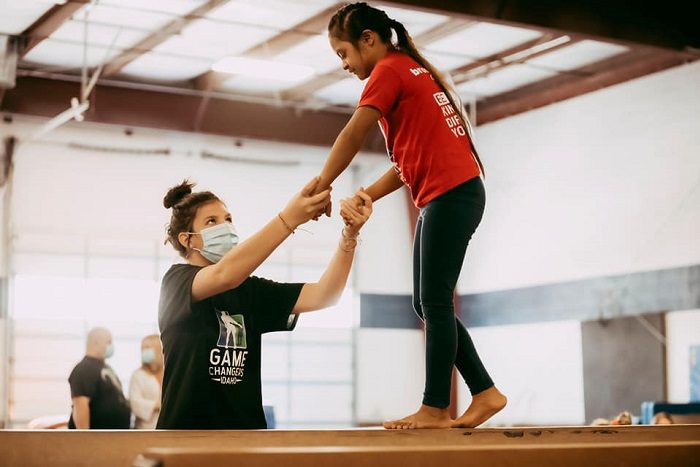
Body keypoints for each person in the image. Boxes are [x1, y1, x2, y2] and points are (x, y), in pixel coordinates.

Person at [315, 2, 507, 429]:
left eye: (344, 53)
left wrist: (322, 182)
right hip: (450, 194)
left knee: (434, 302)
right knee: (427, 304)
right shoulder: (409, 69)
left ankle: (435, 407)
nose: (343, 64)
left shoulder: (389, 70)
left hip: (452, 195)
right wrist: (367, 194)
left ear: (368, 40)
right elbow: (407, 164)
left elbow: (354, 131)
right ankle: (485, 392)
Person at [157, 177, 372, 429]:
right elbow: (224, 275)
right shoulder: (176, 282)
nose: (225, 226)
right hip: (184, 436)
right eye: (211, 221)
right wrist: (288, 219)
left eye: (228, 219)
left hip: (244, 437)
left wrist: (349, 236)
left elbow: (325, 294)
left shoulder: (249, 289)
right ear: (187, 239)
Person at [67, 327, 131, 429]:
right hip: (97, 436)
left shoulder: (105, 367)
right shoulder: (84, 369)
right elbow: (80, 405)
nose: (111, 346)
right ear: (96, 343)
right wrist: (85, 436)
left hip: (113, 435)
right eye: (108, 342)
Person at [129, 334, 164, 429]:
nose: (144, 351)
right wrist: (156, 405)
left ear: (158, 350)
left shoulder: (168, 372)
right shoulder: (138, 375)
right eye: (142, 348)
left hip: (166, 427)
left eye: (147, 348)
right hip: (145, 428)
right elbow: (135, 403)